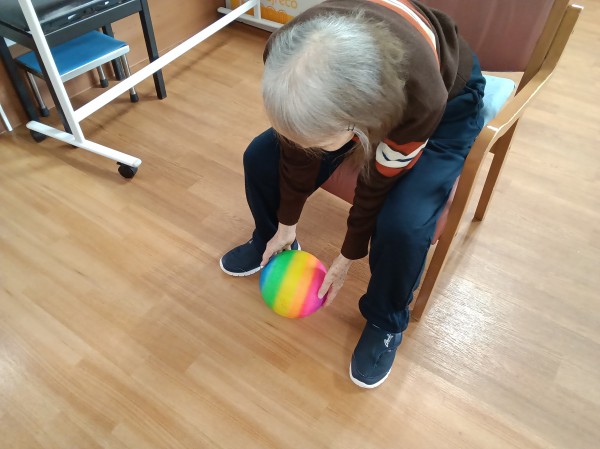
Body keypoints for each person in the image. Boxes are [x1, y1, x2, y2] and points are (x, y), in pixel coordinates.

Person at [220, 0, 485, 388]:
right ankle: (271, 240)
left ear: (358, 126)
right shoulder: (289, 52)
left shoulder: (422, 97)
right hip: (353, 92)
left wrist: (349, 254)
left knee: (404, 224)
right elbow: (295, 147)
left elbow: (376, 183)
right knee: (261, 158)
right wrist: (285, 223)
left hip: (447, 107)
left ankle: (385, 320)